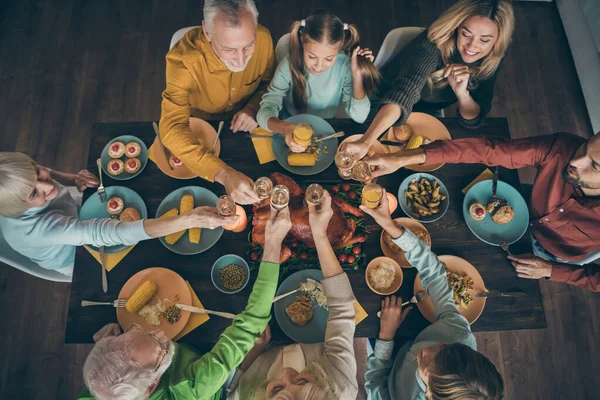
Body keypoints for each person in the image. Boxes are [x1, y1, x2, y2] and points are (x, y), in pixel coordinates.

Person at [79, 204, 292, 400]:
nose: (161, 333)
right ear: (152, 385)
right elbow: (252, 321)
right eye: (161, 348)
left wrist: (103, 354)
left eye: (143, 331)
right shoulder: (192, 388)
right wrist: (272, 244)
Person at [365, 132, 600, 292]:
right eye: (585, 146)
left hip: (555, 255)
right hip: (521, 212)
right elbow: (489, 150)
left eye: (595, 165)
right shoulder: (563, 149)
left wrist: (552, 270)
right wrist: (402, 157)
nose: (576, 160)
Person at [362, 191, 504, 400]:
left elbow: (375, 388)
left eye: (427, 367)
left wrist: (385, 337)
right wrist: (392, 227)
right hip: (411, 333)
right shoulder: (460, 336)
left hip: (385, 358)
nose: (428, 351)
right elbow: (436, 274)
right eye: (443, 347)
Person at [0, 152, 238, 276]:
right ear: (20, 205)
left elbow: (49, 173)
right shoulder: (41, 231)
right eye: (35, 193)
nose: (48, 185)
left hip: (72, 212)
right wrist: (190, 219)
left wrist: (73, 179)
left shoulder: (17, 175)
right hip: (75, 257)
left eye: (39, 174)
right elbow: (116, 232)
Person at [342, 0, 514, 162]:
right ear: (457, 27)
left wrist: (462, 94)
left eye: (484, 40)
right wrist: (366, 142)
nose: (472, 46)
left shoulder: (493, 57)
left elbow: (473, 120)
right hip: (383, 100)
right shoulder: (432, 46)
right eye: (466, 34)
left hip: (427, 112)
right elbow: (403, 94)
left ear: (498, 40)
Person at [226, 191, 359, 400]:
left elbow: (232, 388)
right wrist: (319, 234)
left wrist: (253, 353)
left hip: (259, 351)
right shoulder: (340, 388)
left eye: (277, 389)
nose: (287, 373)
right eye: (302, 380)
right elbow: (343, 306)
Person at [159, 0, 275, 204]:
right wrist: (223, 174)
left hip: (248, 127)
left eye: (248, 45)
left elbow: (269, 84)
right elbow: (171, 128)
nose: (241, 61)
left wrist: (253, 107)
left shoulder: (265, 39)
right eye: (229, 49)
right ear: (207, 32)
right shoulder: (183, 61)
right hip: (200, 130)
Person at [257, 12, 380, 152]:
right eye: (312, 56)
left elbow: (360, 116)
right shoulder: (288, 64)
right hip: (288, 124)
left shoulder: (345, 66)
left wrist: (358, 75)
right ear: (303, 44)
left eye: (329, 59)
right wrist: (284, 128)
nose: (319, 66)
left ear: (339, 48)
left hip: (325, 129)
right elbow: (265, 111)